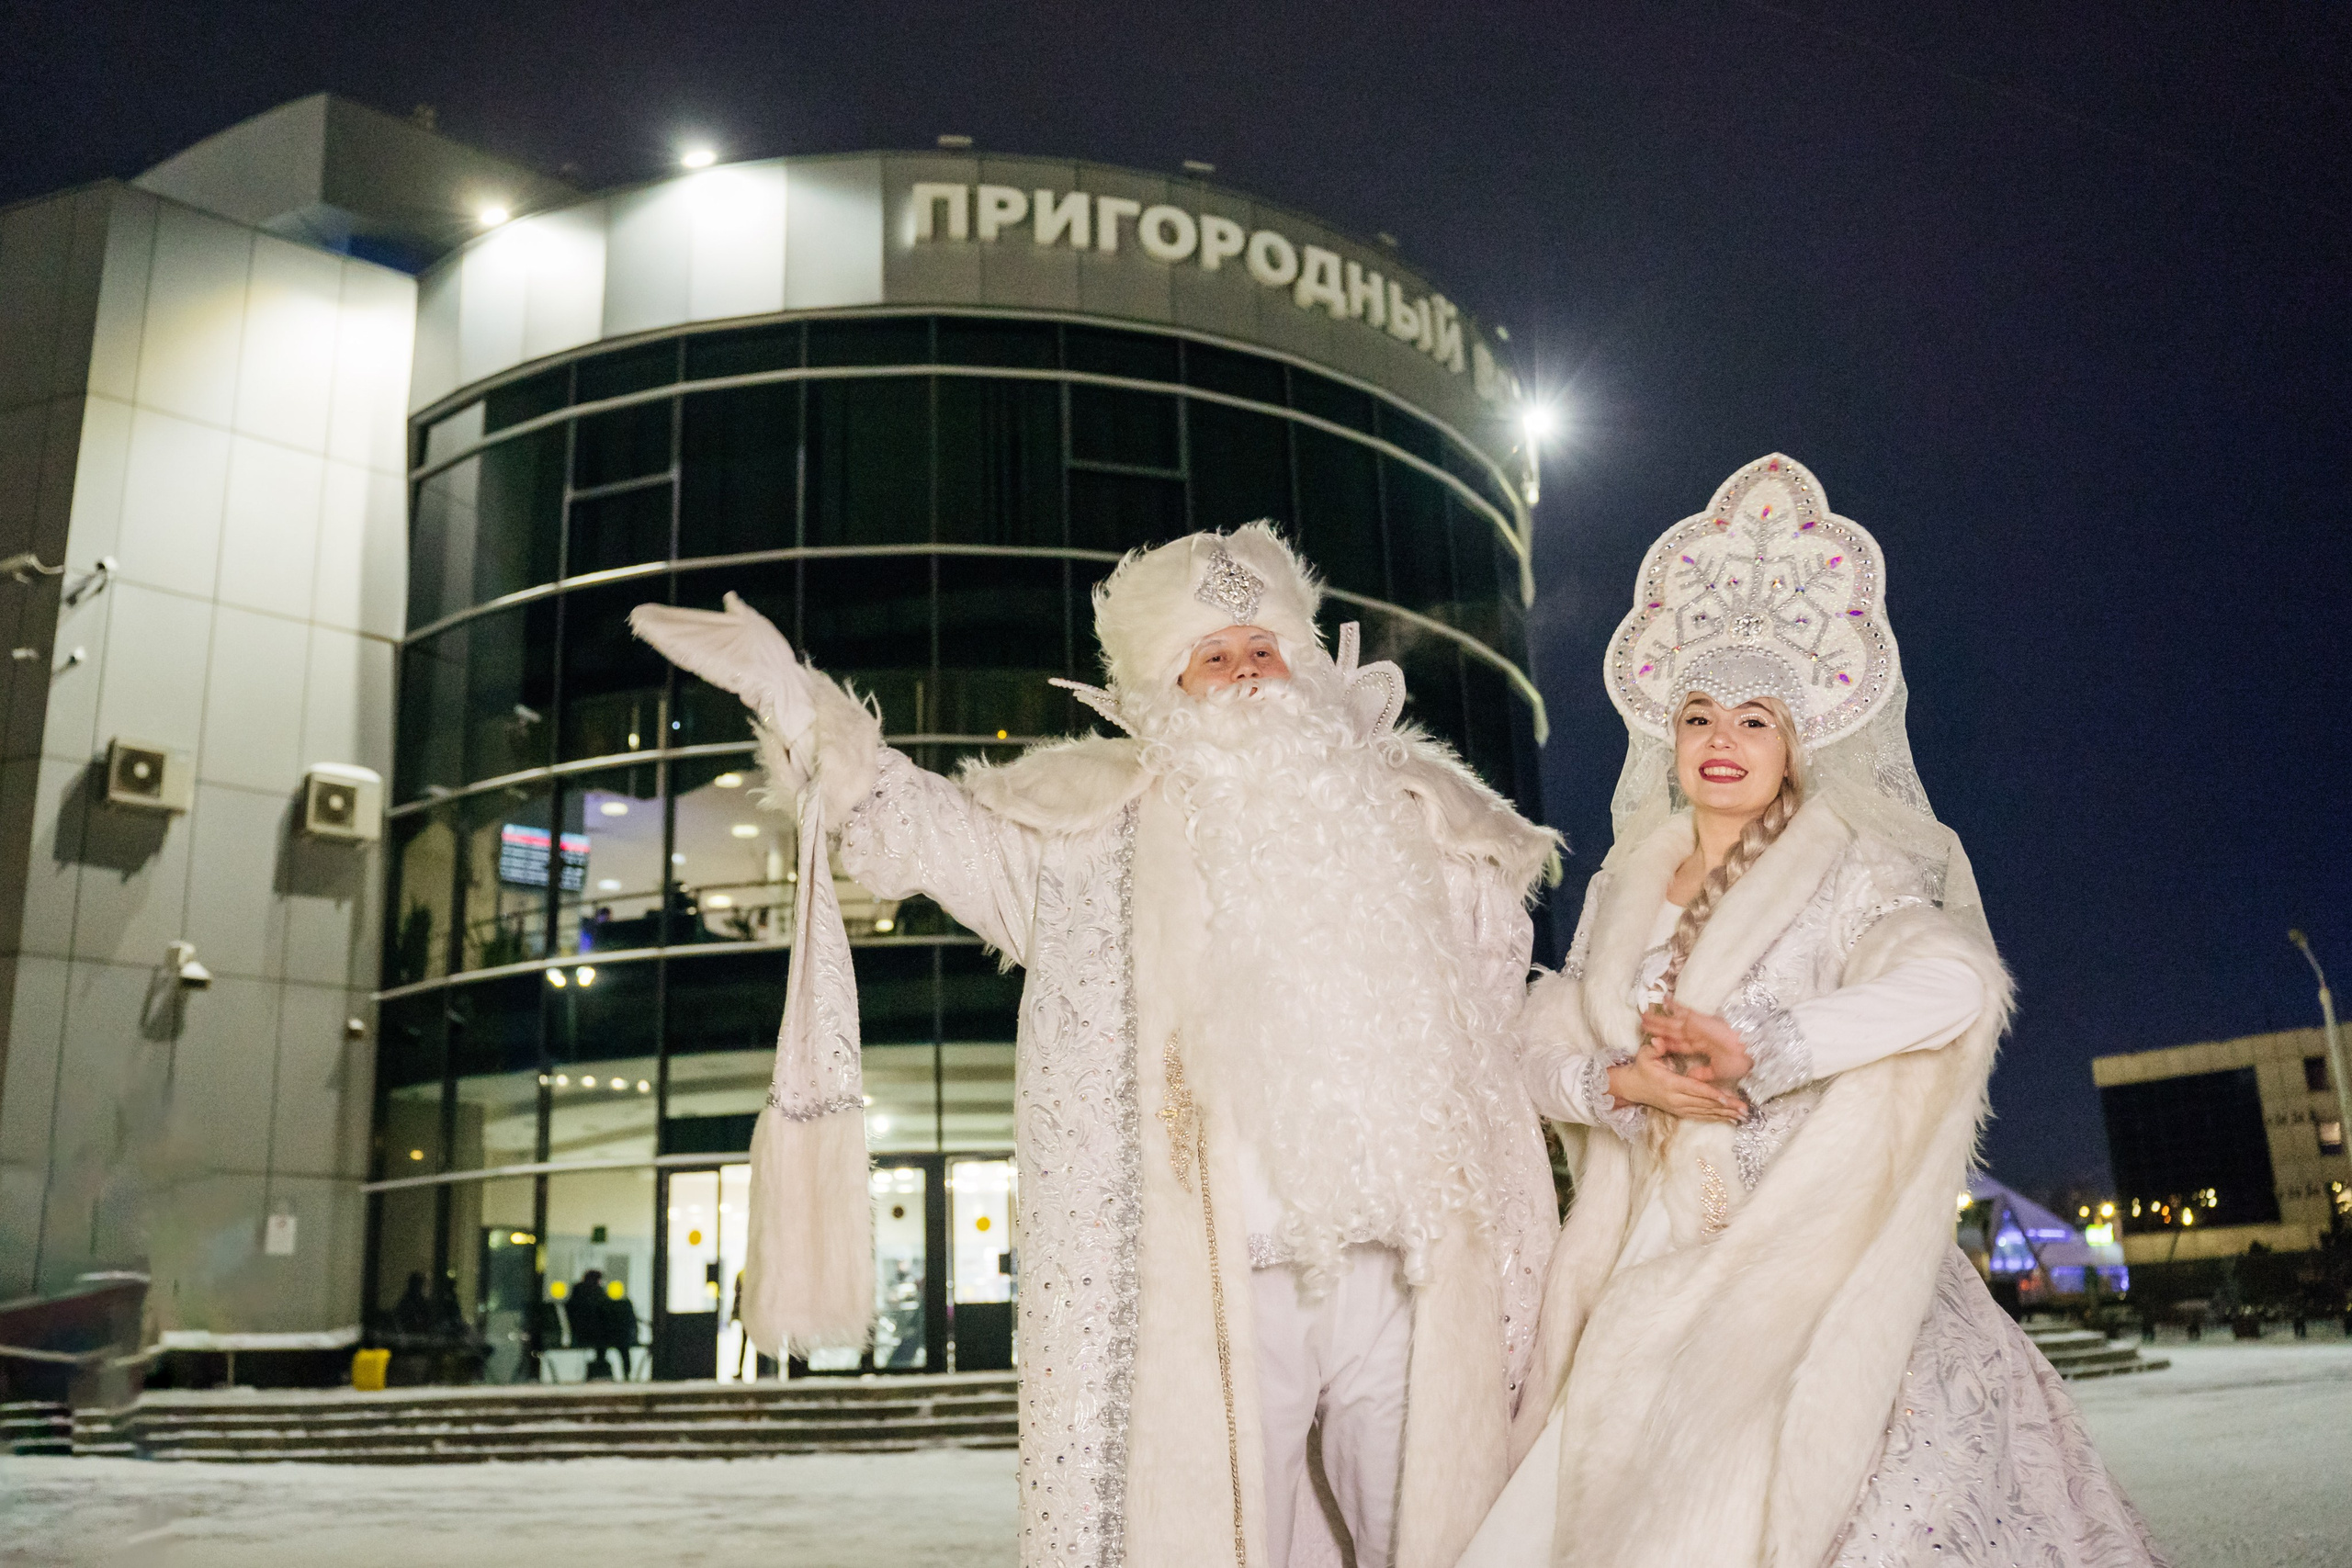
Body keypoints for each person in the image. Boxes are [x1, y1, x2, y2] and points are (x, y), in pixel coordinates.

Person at [632, 524, 1561, 1568]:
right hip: (1218, 1289)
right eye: (1214, 657)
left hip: (1404, 1276)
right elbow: (918, 826)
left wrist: (1600, 1069)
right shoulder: (1088, 841)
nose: (1248, 675)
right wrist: (801, 708)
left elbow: (1507, 1029)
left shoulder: (1424, 828)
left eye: (1264, 651)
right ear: (1165, 687)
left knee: (1444, 1539)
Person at [1460, 456, 2165, 1567]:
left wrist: (1770, 1049)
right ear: (1669, 742)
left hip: (1818, 1241)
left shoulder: (1846, 870)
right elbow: (1528, 1048)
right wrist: (1615, 1085)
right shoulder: (1618, 887)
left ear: (1795, 744)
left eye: (1752, 718)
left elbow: (1953, 985)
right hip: (1651, 1257)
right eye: (1697, 718)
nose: (1721, 740)